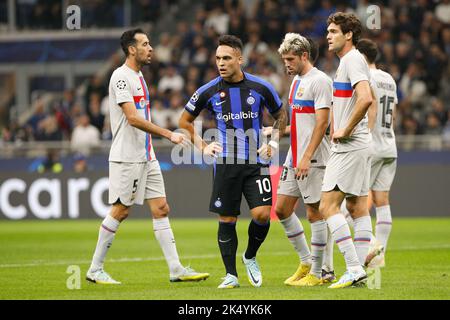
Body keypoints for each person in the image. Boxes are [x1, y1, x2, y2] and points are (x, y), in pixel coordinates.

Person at [86, 28, 209, 285]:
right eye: (145, 44)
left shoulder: (140, 76)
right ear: (132, 49)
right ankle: (95, 269)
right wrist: (169, 134)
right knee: (120, 210)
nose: (150, 48)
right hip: (127, 156)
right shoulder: (121, 77)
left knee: (161, 208)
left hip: (146, 155)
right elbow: (132, 118)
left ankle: (176, 269)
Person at [179, 35, 287, 289]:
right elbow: (184, 122)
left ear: (240, 59)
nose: (221, 63)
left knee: (262, 215)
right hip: (226, 164)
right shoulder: (208, 90)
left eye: (226, 58)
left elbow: (281, 115)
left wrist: (272, 144)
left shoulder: (261, 87)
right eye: (217, 58)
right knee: (227, 220)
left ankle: (250, 256)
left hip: (256, 161)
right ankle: (231, 275)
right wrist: (203, 146)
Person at [272, 34, 334, 287]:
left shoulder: (321, 81)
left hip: (314, 158)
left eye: (290, 59)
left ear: (304, 56)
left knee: (314, 214)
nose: (286, 64)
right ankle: (307, 261)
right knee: (282, 209)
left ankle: (318, 274)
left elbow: (322, 123)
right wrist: (276, 132)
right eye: (284, 59)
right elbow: (299, 122)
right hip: (294, 156)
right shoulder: (297, 81)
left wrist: (307, 156)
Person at [320, 12, 375, 289]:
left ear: (348, 34)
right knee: (356, 207)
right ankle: (362, 272)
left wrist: (345, 129)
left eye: (333, 31)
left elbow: (366, 98)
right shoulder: (349, 62)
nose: (328, 36)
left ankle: (353, 268)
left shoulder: (353, 60)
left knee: (327, 206)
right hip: (360, 145)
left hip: (350, 146)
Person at [356, 38, 398, 266]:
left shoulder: (365, 78)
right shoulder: (389, 78)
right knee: (382, 201)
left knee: (349, 204)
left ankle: (371, 247)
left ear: (361, 56)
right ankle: (381, 254)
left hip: (370, 145)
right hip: (390, 145)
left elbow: (369, 107)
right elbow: (395, 112)